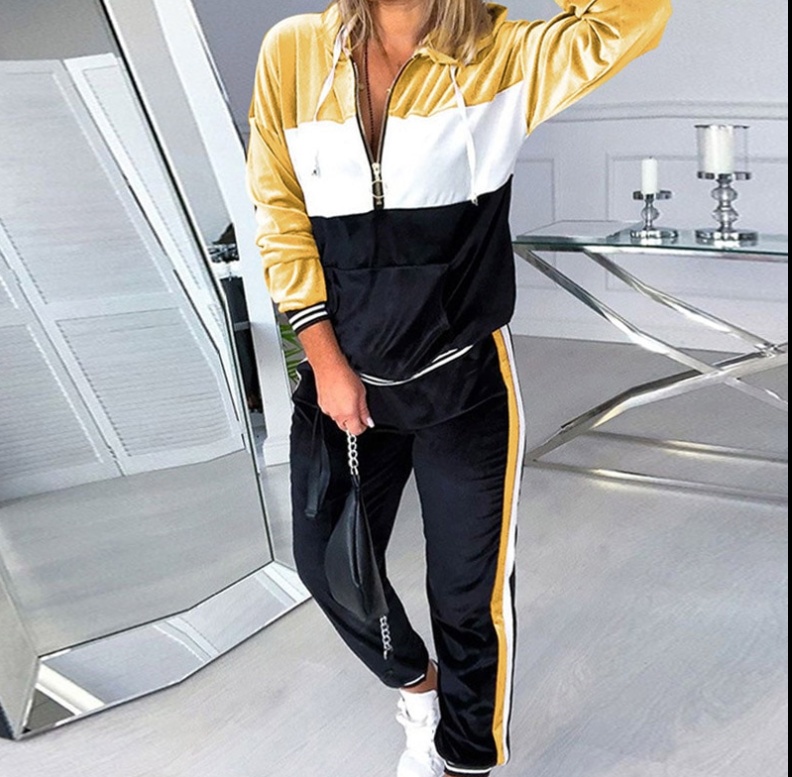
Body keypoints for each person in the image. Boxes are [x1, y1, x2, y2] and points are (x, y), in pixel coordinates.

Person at [246, 1, 672, 774]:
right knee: (330, 566)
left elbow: (630, 21)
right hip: (344, 382)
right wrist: (325, 359)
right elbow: (279, 212)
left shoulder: (502, 54)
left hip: (463, 383)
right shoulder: (294, 51)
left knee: (468, 596)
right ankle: (418, 685)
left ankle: (467, 758)